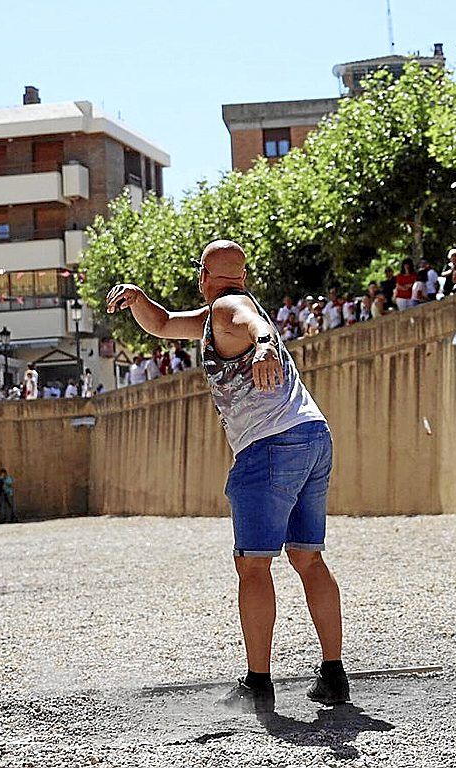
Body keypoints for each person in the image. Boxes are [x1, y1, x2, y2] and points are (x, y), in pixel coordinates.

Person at [107, 239, 349, 714]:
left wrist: (262, 348)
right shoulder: (215, 315)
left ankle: (258, 683)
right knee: (307, 557)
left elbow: (252, 326)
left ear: (204, 276)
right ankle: (334, 676)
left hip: (271, 445)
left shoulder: (228, 306)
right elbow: (161, 323)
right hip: (312, 435)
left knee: (254, 565)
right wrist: (138, 299)